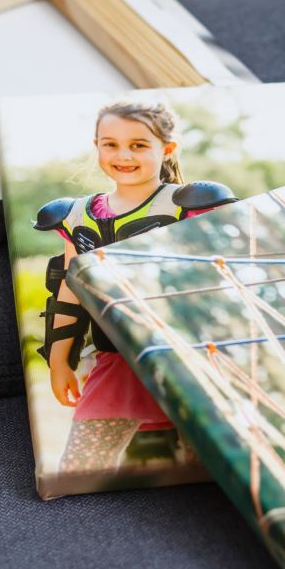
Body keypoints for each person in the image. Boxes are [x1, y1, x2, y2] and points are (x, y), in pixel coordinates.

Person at [34, 101, 233, 478]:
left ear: (167, 149)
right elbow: (69, 291)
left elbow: (217, 288)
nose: (123, 155)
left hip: (186, 362)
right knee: (80, 470)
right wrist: (60, 361)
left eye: (138, 145)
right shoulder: (75, 216)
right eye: (110, 144)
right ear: (96, 146)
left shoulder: (188, 206)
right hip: (115, 361)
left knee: (209, 470)